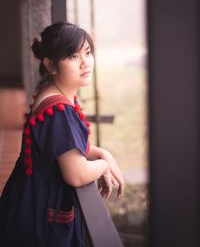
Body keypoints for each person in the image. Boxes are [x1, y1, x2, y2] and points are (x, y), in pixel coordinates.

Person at [0, 21, 124, 246]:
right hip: (39, 222)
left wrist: (102, 153)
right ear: (51, 65)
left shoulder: (53, 95)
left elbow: (63, 149)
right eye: (73, 56)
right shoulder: (59, 111)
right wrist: (104, 167)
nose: (85, 63)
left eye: (87, 52)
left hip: (26, 204)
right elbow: (76, 174)